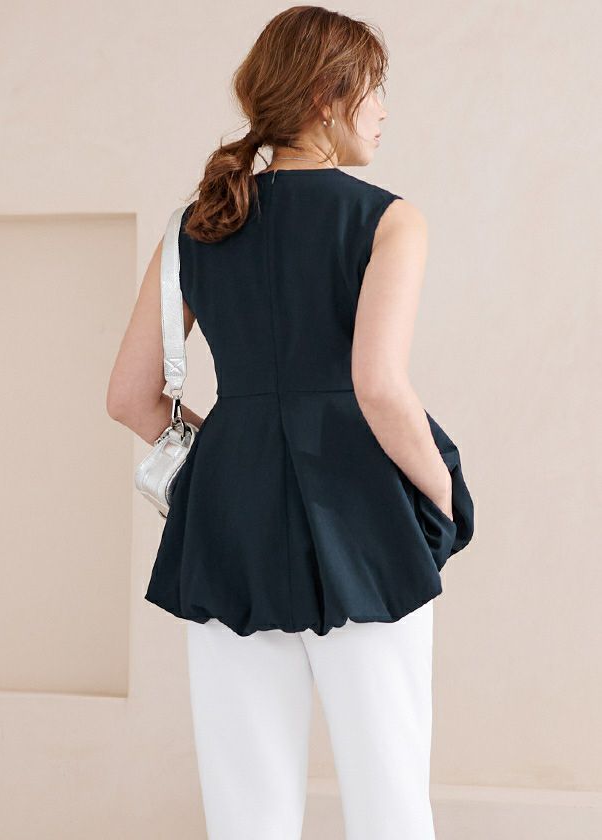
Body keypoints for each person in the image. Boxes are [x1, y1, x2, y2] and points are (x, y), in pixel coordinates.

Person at [107, 6, 475, 839]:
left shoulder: (197, 226)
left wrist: (229, 455)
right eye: (374, 89)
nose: (383, 109)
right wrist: (444, 496)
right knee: (389, 799)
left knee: (246, 811)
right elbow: (378, 386)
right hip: (364, 521)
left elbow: (130, 396)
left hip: (227, 524)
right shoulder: (389, 219)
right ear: (325, 96)